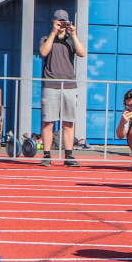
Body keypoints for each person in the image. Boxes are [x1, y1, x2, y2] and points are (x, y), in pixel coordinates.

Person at [39, 9, 87, 168]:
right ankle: (46, 155)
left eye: (64, 22)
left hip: (69, 85)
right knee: (48, 122)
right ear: (53, 21)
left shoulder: (71, 39)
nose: (61, 25)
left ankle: (69, 155)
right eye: (59, 22)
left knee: (68, 122)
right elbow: (44, 52)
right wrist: (53, 33)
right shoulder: (46, 38)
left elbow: (82, 53)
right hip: (50, 84)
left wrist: (73, 34)